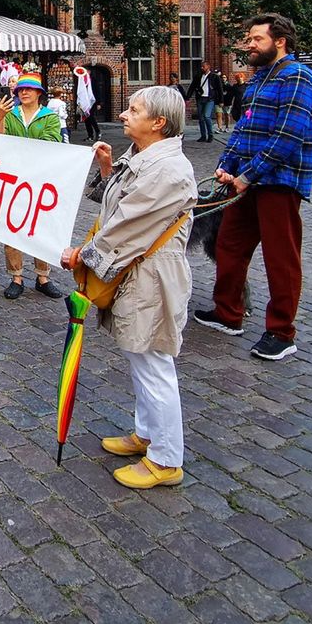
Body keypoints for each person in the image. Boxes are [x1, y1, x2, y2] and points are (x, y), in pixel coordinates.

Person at [61, 86, 195, 489]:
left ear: (158, 122)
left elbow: (128, 225)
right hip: (138, 273)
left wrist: (84, 255)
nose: (123, 114)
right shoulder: (143, 156)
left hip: (153, 277)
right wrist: (106, 170)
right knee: (140, 357)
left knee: (154, 364)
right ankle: (147, 434)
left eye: (133, 109)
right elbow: (116, 204)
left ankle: (166, 459)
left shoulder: (168, 169)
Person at [195, 13, 312, 361]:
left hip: (278, 182)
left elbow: (288, 136)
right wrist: (225, 165)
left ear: (280, 41)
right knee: (229, 246)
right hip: (245, 182)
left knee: (281, 258)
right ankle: (228, 314)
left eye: (256, 39)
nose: (249, 44)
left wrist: (248, 175)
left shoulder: (298, 77)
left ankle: (281, 332)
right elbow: (243, 130)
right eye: (249, 39)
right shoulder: (260, 79)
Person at [0, 71, 66, 300]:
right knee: (12, 226)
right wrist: (0, 116)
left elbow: (51, 142)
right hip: (14, 178)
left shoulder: (49, 117)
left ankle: (43, 276)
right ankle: (16, 276)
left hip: (40, 179)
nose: (23, 92)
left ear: (38, 94)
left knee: (40, 225)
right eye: (20, 89)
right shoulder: (10, 115)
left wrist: (19, 148)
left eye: (29, 89)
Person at [185, 63, 223, 143]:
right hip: (200, 98)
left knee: (206, 116)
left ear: (208, 67)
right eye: (201, 66)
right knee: (201, 118)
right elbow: (192, 86)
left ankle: (210, 135)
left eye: (204, 66)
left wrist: (221, 101)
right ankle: (203, 135)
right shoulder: (198, 76)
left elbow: (220, 89)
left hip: (210, 99)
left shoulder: (214, 77)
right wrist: (187, 97)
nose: (202, 68)